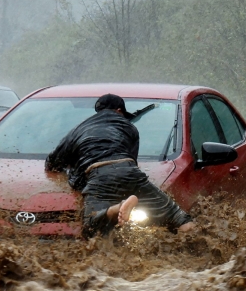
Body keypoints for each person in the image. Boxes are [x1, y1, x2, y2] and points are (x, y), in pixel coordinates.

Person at [45, 93, 195, 237]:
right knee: (178, 217)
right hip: (129, 170)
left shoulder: (78, 130)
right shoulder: (130, 128)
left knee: (90, 227)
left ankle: (116, 208)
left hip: (99, 175)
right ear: (119, 110)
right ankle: (195, 245)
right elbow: (131, 163)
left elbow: (52, 163)